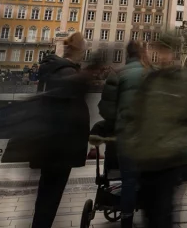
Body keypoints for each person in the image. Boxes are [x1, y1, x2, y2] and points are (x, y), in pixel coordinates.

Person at [124, 33, 187, 228]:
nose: (160, 55)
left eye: (164, 50)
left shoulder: (184, 81)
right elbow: (135, 115)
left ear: (173, 52)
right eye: (158, 50)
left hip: (172, 159)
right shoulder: (150, 79)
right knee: (149, 213)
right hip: (148, 158)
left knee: (163, 214)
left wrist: (183, 144)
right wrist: (134, 142)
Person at [29, 32, 93, 228]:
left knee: (46, 194)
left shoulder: (53, 69)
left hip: (49, 141)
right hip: (60, 144)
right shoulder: (67, 73)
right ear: (79, 51)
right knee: (51, 195)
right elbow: (71, 105)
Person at [98, 41, 148, 228]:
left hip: (125, 135)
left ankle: (126, 220)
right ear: (143, 54)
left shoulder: (117, 74)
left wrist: (116, 121)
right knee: (148, 178)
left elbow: (106, 110)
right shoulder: (151, 74)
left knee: (128, 180)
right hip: (148, 137)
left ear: (127, 54)